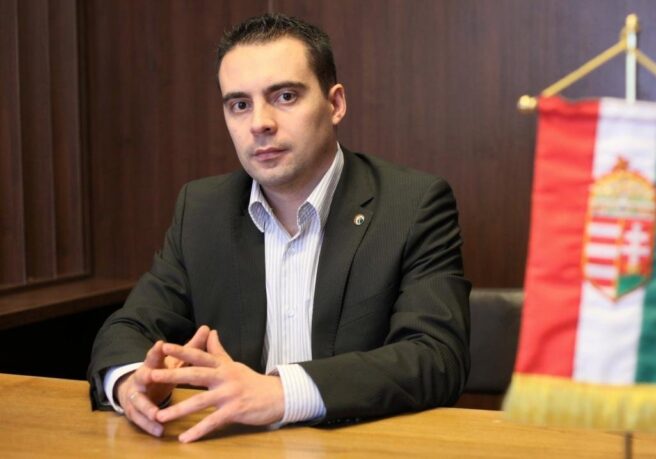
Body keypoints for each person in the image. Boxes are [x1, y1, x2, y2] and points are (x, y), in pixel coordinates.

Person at [88, 13, 470, 443]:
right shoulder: (203, 210)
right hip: (236, 448)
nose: (260, 123)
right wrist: (133, 382)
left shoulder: (412, 204)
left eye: (285, 96)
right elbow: (129, 328)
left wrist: (283, 393)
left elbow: (437, 358)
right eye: (240, 104)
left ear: (335, 104)